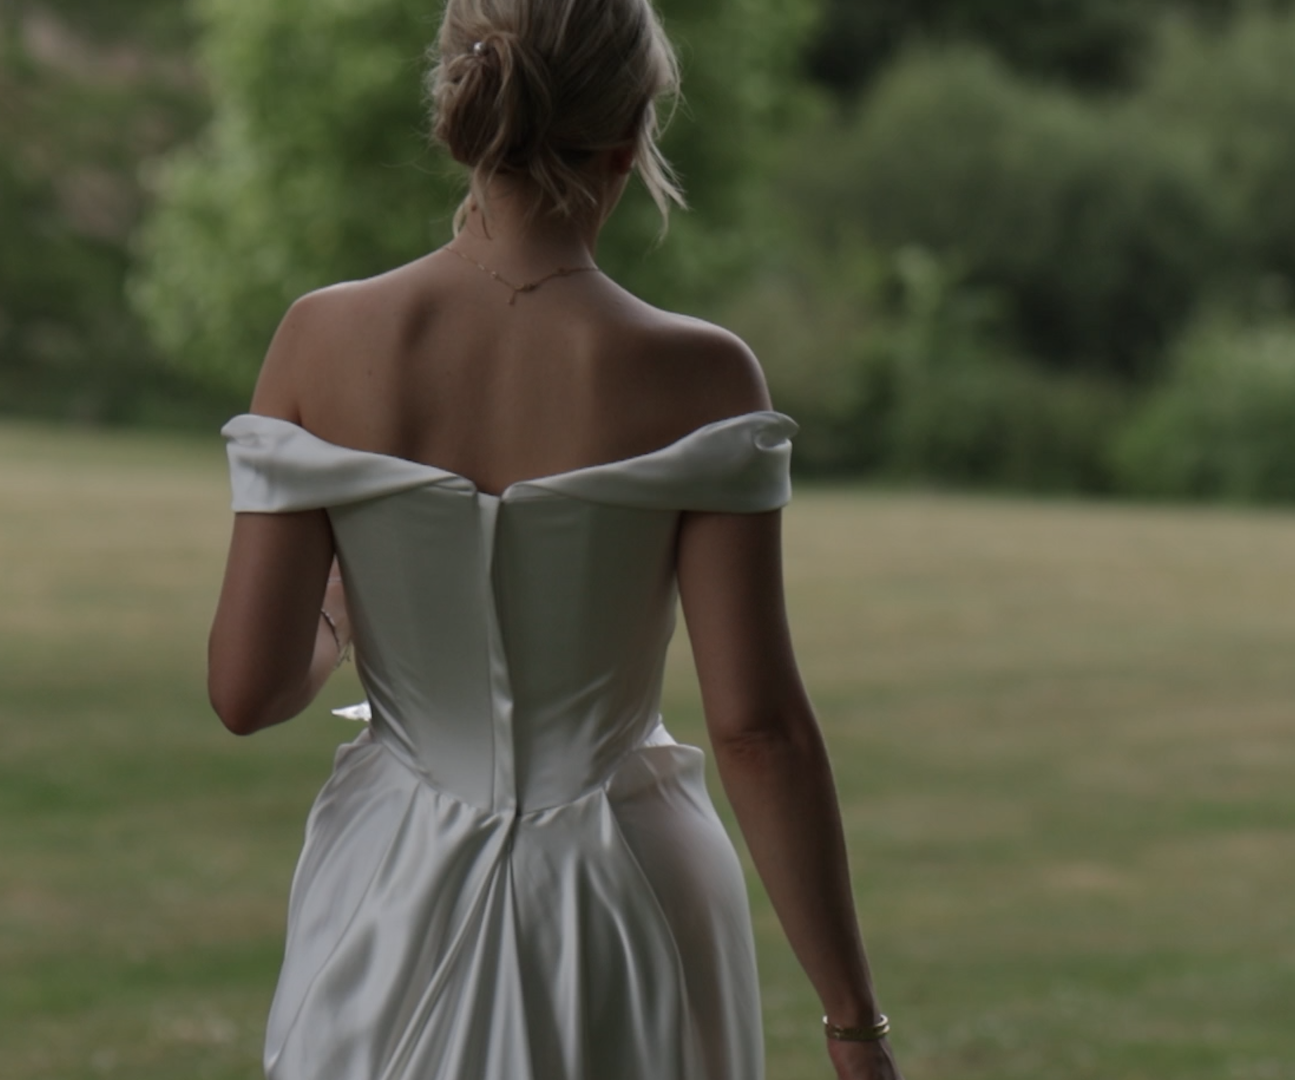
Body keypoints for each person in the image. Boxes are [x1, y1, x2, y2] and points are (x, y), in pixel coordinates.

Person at [204, 1, 902, 1077]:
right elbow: (757, 730)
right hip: (623, 890)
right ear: (631, 138)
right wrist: (854, 1023)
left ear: (458, 113)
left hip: (388, 887)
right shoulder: (703, 377)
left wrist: (341, 614)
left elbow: (246, 691)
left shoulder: (321, 340)